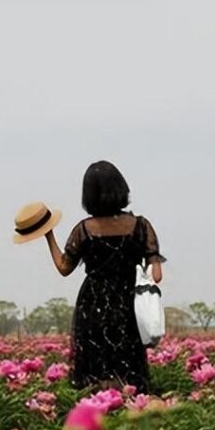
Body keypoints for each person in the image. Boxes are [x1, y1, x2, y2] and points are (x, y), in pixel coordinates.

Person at [42, 161, 165, 393]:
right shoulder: (141, 226)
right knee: (128, 366)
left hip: (93, 304)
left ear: (88, 196)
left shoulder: (84, 229)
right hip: (129, 303)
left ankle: (98, 415)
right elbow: (156, 275)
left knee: (95, 369)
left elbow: (63, 267)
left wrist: (48, 235)